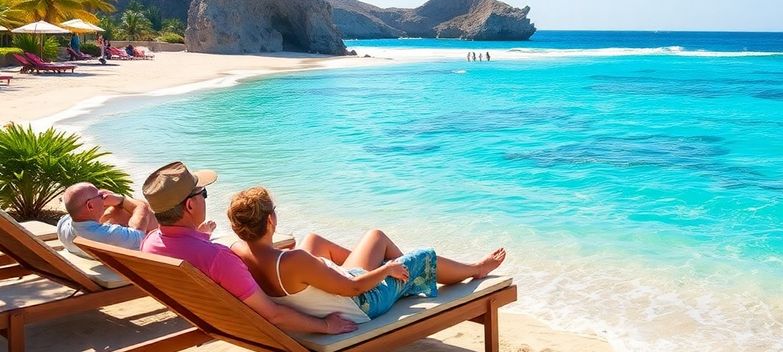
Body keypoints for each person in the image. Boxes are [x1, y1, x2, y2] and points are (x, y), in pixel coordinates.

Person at [227, 187, 506, 321]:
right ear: (270, 221)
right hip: (361, 303)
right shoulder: (292, 260)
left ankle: (404, 282)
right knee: (424, 256)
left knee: (370, 236)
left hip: (327, 292)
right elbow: (352, 288)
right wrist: (386, 270)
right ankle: (475, 269)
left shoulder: (238, 253)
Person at [140, 161, 356, 335]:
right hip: (269, 327)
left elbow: (189, 251)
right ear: (190, 205)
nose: (205, 199)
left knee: (310, 247)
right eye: (203, 194)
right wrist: (326, 326)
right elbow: (273, 315)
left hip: (209, 320)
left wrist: (201, 237)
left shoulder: (149, 244)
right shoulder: (219, 258)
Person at [57, 182, 161, 259]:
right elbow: (139, 234)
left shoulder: (62, 225)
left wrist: (108, 205)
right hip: (122, 271)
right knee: (137, 208)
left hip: (90, 261)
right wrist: (122, 200)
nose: (104, 197)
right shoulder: (107, 235)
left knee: (116, 211)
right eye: (100, 196)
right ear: (90, 205)